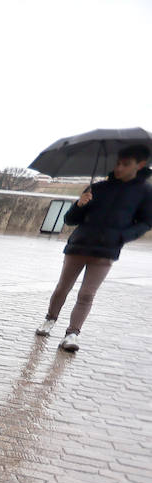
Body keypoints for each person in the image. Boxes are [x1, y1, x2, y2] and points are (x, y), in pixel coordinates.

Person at [37, 143, 152, 352]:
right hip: (78, 246)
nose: (119, 168)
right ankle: (50, 319)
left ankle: (72, 334)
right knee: (63, 287)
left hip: (107, 251)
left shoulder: (145, 192)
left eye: (126, 164)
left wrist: (120, 237)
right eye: (118, 163)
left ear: (140, 165)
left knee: (87, 294)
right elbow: (70, 220)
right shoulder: (97, 188)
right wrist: (80, 204)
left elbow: (145, 222)